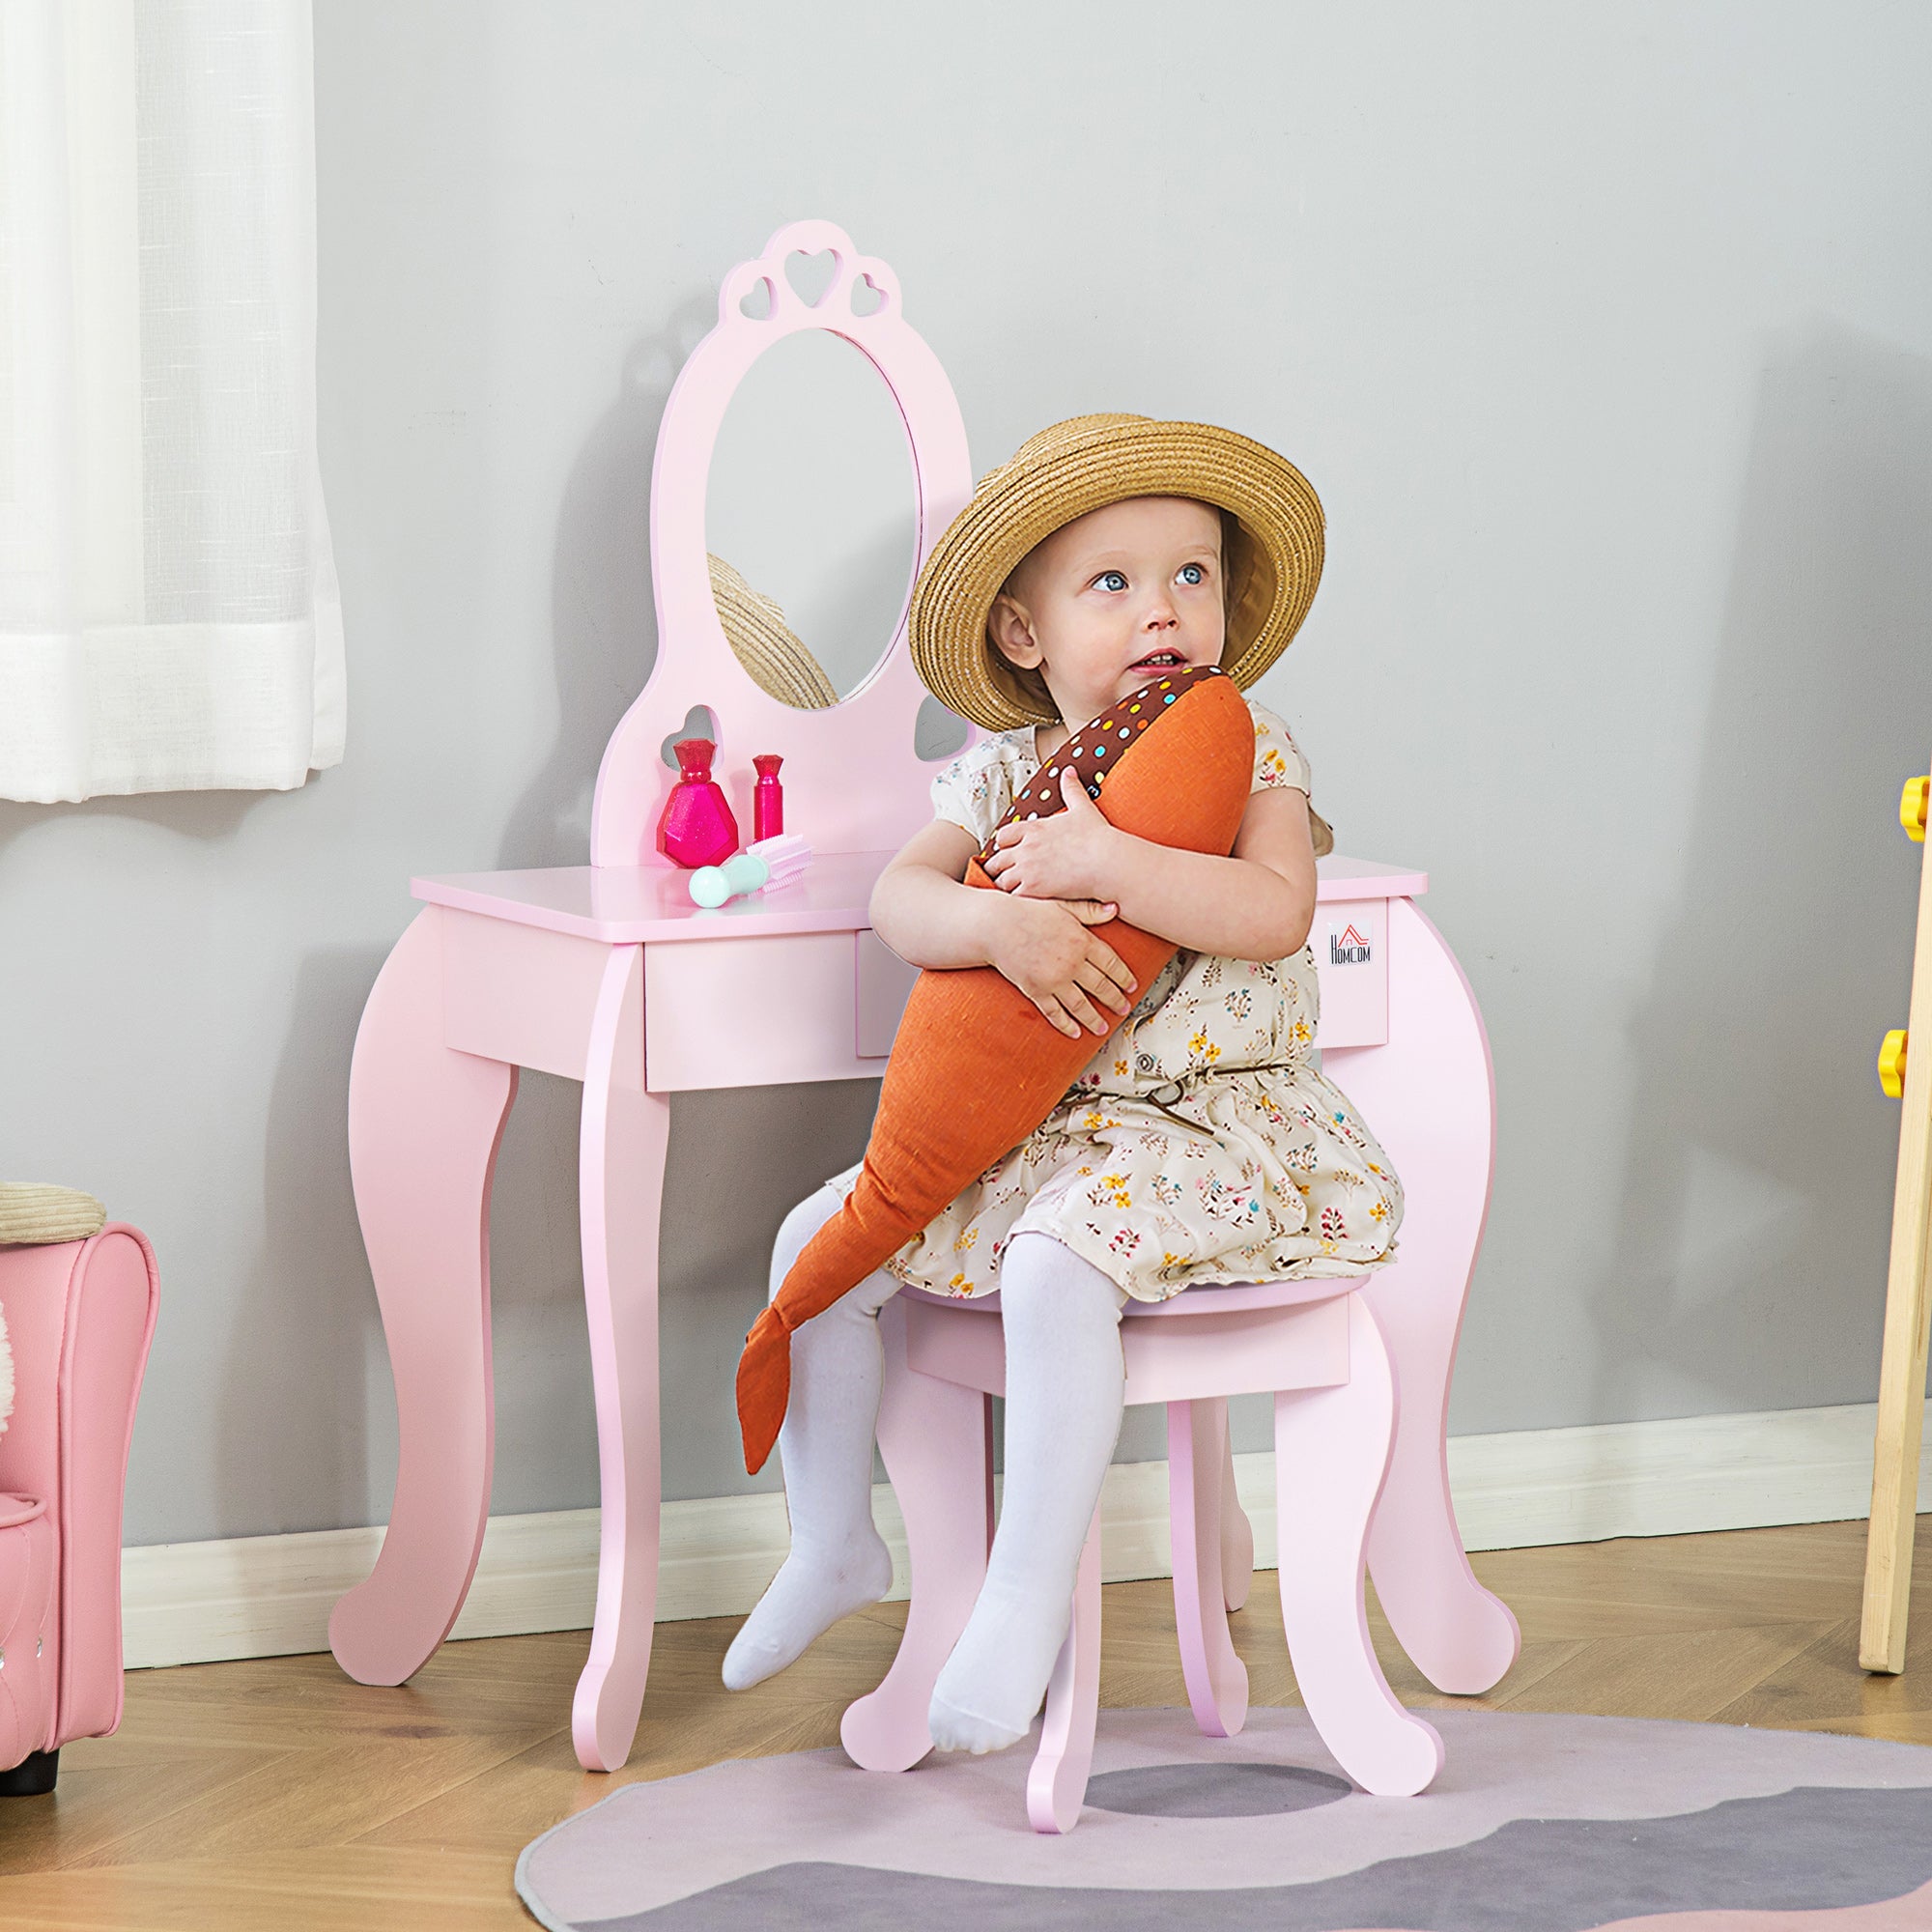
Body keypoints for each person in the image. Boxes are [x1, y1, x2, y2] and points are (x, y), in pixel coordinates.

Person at [722, 414, 1404, 1754]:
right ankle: (832, 1541)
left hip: (1212, 1128)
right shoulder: (1005, 768)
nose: (1165, 610)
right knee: (815, 1250)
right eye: (1115, 582)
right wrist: (998, 926)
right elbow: (901, 897)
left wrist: (1106, 867)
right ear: (1025, 636)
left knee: (1051, 1269)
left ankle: (1023, 1598)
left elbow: (1270, 909)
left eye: (1193, 576)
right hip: (1044, 1132)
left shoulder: (1251, 748)